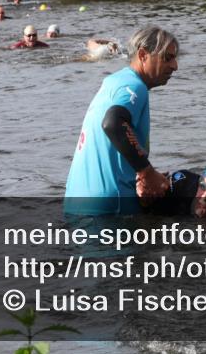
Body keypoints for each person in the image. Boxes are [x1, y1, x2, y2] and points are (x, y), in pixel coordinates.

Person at [63, 26, 179, 216]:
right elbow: (113, 123)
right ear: (143, 55)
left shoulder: (114, 81)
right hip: (109, 208)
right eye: (168, 58)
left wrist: (142, 176)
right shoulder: (135, 86)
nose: (175, 66)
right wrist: (147, 173)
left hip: (75, 200)